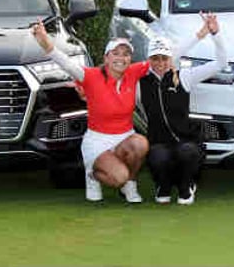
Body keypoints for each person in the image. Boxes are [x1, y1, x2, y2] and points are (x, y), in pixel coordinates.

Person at [31, 27, 151, 203]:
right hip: (98, 142)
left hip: (125, 138)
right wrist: (45, 41)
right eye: (115, 53)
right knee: (119, 177)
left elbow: (162, 59)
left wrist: (200, 34)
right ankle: (93, 176)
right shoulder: (91, 76)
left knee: (141, 144)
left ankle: (130, 185)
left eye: (125, 54)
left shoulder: (133, 73)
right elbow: (64, 62)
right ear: (106, 58)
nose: (121, 58)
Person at [140, 14, 224, 205]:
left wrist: (214, 33)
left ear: (171, 58)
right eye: (155, 58)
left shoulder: (184, 77)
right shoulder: (141, 83)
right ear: (148, 59)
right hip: (159, 144)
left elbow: (221, 63)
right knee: (158, 156)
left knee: (187, 152)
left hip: (186, 142)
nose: (160, 63)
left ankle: (187, 186)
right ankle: (163, 185)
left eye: (164, 58)